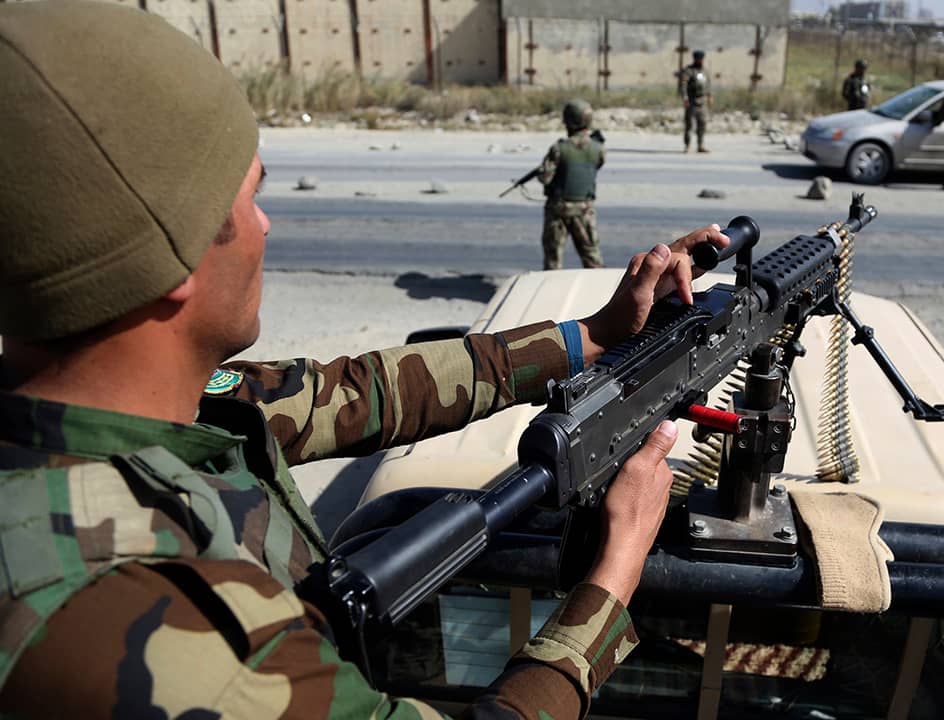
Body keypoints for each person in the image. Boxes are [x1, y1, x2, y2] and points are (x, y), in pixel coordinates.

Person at [0, 3, 730, 718]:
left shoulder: (153, 403)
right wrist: (612, 581)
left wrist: (594, 333)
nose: (265, 225)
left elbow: (359, 393)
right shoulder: (164, 644)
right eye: (252, 197)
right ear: (173, 258)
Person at [537, 99, 605, 270]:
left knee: (553, 258)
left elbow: (545, 177)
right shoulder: (598, 148)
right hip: (584, 209)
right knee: (591, 256)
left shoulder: (559, 149)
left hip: (558, 209)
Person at [679, 49, 713, 153]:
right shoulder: (688, 71)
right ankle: (687, 145)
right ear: (695, 59)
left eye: (702, 59)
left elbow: (708, 84)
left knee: (702, 124)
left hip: (702, 101)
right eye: (699, 59)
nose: (701, 61)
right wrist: (685, 98)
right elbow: (683, 85)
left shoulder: (704, 71)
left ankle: (700, 145)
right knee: (689, 124)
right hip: (691, 100)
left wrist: (710, 96)